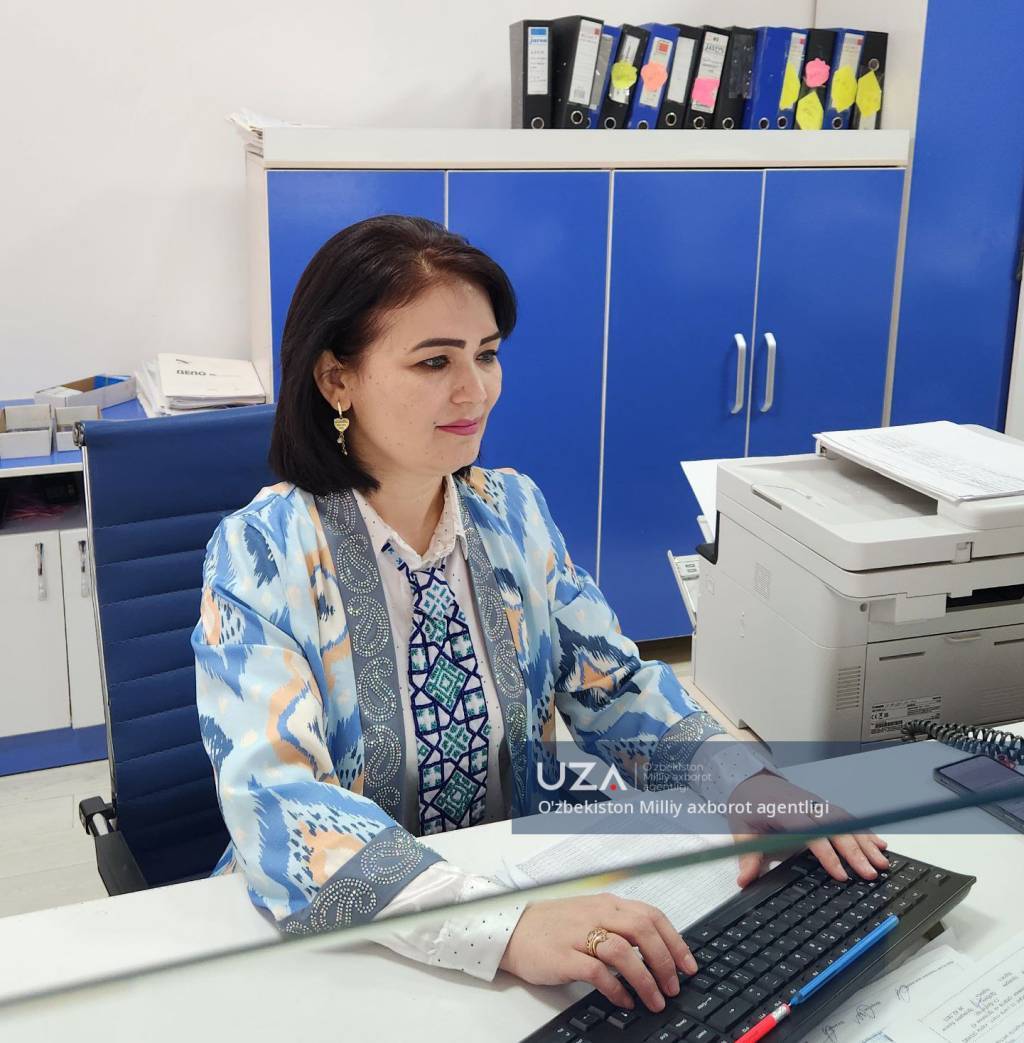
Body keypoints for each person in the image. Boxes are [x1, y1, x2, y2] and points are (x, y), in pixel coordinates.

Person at [192, 215, 888, 1014]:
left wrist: (747, 783)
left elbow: (613, 686)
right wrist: (502, 924)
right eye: (434, 361)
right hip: (346, 952)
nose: (475, 389)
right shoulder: (261, 553)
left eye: (486, 354)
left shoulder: (512, 511)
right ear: (335, 379)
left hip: (518, 934)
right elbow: (275, 801)